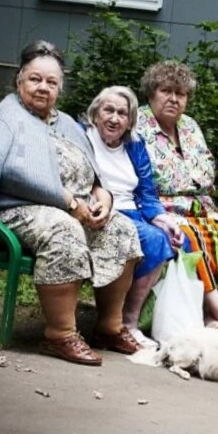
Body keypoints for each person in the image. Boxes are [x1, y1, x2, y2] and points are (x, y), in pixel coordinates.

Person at [0, 40, 144, 366]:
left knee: (122, 228)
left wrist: (103, 198)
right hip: (15, 208)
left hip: (74, 206)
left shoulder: (64, 123)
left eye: (51, 82)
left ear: (60, 88)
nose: (43, 87)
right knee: (64, 230)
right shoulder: (5, 118)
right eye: (35, 79)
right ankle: (59, 335)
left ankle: (109, 327)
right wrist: (69, 203)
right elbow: (8, 174)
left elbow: (93, 174)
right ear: (19, 80)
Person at [135, 60, 218, 330]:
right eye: (166, 91)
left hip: (199, 204)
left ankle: (208, 312)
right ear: (151, 93)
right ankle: (213, 313)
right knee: (190, 237)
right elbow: (149, 177)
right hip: (160, 205)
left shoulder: (190, 126)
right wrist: (186, 183)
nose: (173, 99)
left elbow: (207, 169)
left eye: (180, 93)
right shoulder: (138, 124)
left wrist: (191, 184)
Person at [83, 86, 186, 348]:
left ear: (130, 121)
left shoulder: (135, 145)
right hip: (104, 213)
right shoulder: (82, 138)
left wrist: (163, 218)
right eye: (108, 110)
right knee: (154, 241)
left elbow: (146, 192)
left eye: (122, 113)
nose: (114, 118)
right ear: (95, 113)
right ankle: (127, 322)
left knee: (180, 239)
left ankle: (171, 320)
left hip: (134, 211)